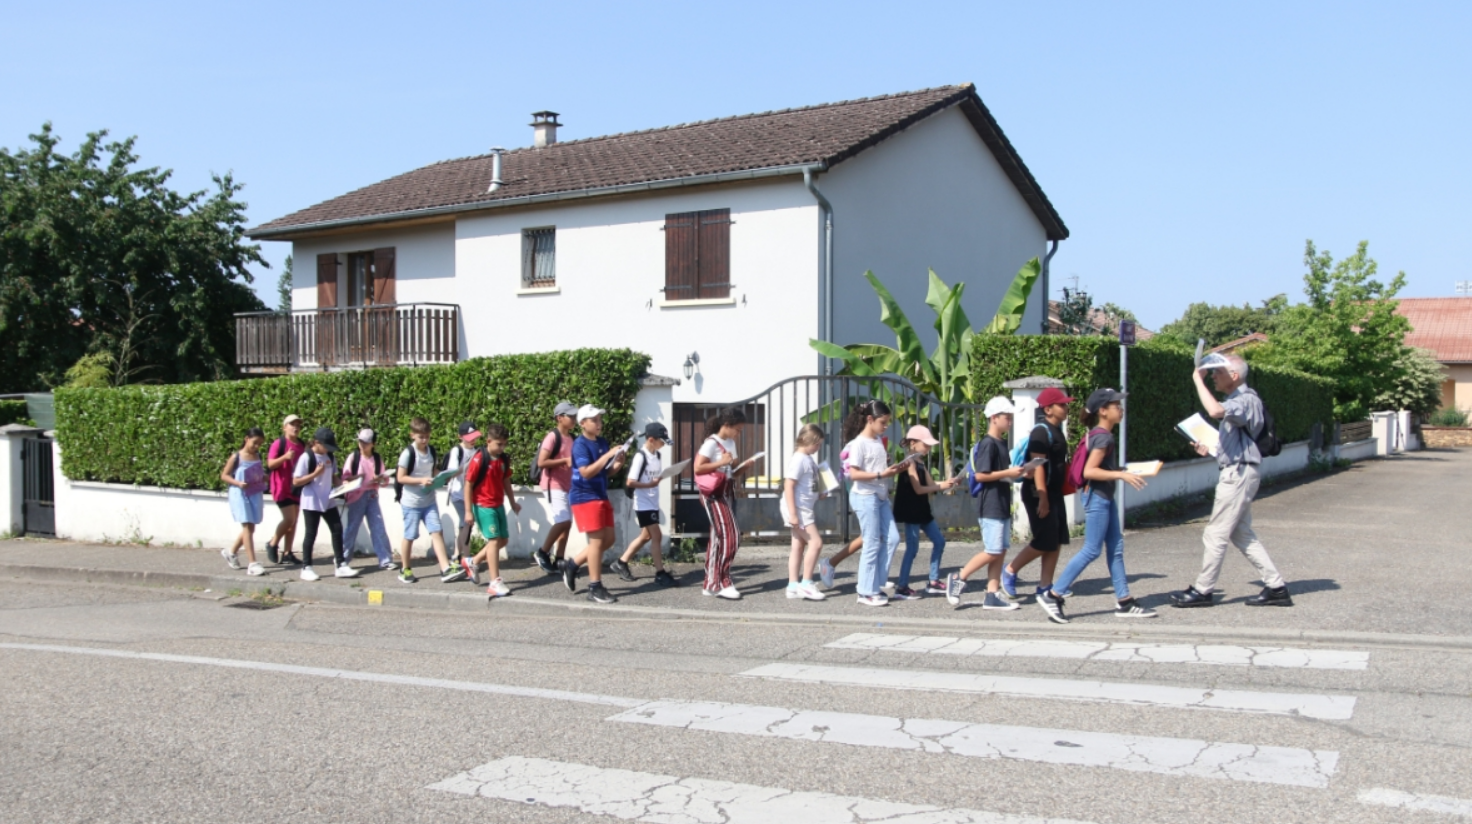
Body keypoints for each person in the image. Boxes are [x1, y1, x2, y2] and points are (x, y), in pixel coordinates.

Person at [1172, 353, 1293, 608]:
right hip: (1240, 471)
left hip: (1237, 475)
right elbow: (1238, 443)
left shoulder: (1244, 400)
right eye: (1212, 373)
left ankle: (1203, 590)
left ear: (1234, 376)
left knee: (1215, 533)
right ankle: (1276, 587)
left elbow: (1214, 410)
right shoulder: (1240, 401)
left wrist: (1198, 379)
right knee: (1242, 534)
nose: (1214, 376)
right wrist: (1211, 449)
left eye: (1218, 372)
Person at [1037, 388, 1154, 624]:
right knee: (1092, 549)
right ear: (1103, 411)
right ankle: (1053, 594)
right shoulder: (1104, 437)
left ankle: (1124, 600)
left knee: (1116, 547)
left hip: (1102, 496)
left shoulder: (1097, 434)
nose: (1120, 409)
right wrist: (1122, 477)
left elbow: (1098, 468)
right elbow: (1090, 471)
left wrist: (1121, 472)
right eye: (1115, 405)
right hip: (1098, 498)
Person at [946, 397, 1026, 610]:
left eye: (1010, 417)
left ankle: (992, 594)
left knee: (1000, 550)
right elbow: (981, 475)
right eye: (1006, 417)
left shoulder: (1000, 443)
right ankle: (959, 577)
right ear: (994, 418)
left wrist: (1017, 473)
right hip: (989, 503)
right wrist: (1008, 472)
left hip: (1000, 501)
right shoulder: (988, 444)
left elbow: (997, 475)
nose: (1010, 421)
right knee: (992, 550)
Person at [1001, 387, 1074, 602]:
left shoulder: (1056, 429)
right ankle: (1010, 570)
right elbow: (1038, 466)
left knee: (1057, 538)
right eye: (1062, 404)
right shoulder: (1040, 432)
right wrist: (1043, 497)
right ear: (1048, 409)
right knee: (1044, 539)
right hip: (1037, 493)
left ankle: (1045, 585)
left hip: (1053, 492)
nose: (1066, 407)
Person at [561, 405, 627, 603]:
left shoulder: (602, 442)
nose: (599, 424)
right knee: (597, 543)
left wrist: (618, 463)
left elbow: (604, 471)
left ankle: (572, 565)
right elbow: (586, 472)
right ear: (583, 424)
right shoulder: (580, 444)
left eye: (600, 420)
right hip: (584, 496)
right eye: (594, 420)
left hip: (600, 495)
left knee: (609, 540)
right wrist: (607, 456)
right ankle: (594, 587)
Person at [844, 400, 904, 607]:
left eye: (887, 422)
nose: (885, 426)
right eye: (883, 422)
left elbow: (878, 466)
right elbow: (853, 474)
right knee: (871, 542)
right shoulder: (859, 443)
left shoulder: (878, 440)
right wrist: (881, 473)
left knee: (892, 538)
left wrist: (891, 469)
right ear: (870, 419)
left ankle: (875, 583)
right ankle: (865, 591)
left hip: (880, 496)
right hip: (865, 496)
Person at [394, 417, 468, 585]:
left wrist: (443, 476)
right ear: (412, 435)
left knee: (437, 531)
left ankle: (445, 568)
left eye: (427, 436)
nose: (425, 440)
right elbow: (400, 477)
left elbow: (433, 470)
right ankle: (405, 568)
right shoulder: (408, 453)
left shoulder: (431, 451)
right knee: (410, 535)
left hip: (429, 501)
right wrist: (421, 481)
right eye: (421, 437)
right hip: (411, 503)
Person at [609, 422, 680, 587]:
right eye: (661, 440)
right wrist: (650, 485)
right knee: (657, 536)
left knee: (645, 536)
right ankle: (660, 573)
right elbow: (631, 481)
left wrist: (659, 478)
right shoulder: (641, 456)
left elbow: (652, 478)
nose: (663, 444)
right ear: (651, 439)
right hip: (642, 503)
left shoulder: (658, 455)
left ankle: (621, 562)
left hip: (652, 501)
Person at [892, 424, 958, 599]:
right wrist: (941, 485)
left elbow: (931, 484)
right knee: (912, 548)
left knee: (939, 541)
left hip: (923, 511)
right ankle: (902, 586)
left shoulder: (920, 462)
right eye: (925, 444)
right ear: (913, 443)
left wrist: (946, 484)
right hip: (912, 511)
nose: (928, 448)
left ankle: (934, 581)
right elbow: (920, 489)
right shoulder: (909, 463)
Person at [694, 408, 752, 599]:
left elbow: (732, 472)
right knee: (731, 535)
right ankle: (723, 581)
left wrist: (743, 467)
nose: (739, 433)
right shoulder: (711, 443)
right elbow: (698, 467)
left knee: (718, 538)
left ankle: (711, 583)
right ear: (726, 426)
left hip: (726, 492)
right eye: (737, 429)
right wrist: (721, 463)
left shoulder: (730, 443)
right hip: (713, 495)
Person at [461, 423, 520, 598]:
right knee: (494, 541)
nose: (502, 448)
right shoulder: (479, 459)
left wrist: (512, 502)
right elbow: (468, 485)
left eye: (504, 444)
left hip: (498, 505)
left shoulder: (503, 460)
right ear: (488, 441)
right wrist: (468, 511)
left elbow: (506, 481)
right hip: (483, 506)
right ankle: (495, 581)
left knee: (503, 540)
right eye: (498, 444)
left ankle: (473, 561)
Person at [293, 426, 356, 581]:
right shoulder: (306, 457)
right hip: (311, 501)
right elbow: (296, 480)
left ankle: (340, 565)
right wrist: (315, 474)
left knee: (337, 529)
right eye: (325, 447)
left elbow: (333, 476)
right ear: (316, 442)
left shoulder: (330, 457)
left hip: (328, 499)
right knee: (311, 534)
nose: (328, 450)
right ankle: (306, 567)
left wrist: (343, 484)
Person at [781, 423, 827, 601]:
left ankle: (793, 585)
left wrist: (819, 492)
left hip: (802, 508)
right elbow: (789, 484)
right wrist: (793, 514)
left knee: (798, 546)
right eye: (817, 444)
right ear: (809, 441)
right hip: (799, 510)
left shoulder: (806, 458)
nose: (818, 448)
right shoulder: (799, 459)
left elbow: (806, 483)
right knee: (816, 543)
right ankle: (806, 583)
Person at [532, 402, 578, 574]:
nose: (574, 419)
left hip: (568, 485)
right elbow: (542, 462)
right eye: (570, 416)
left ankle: (559, 559)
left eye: (575, 416)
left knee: (567, 524)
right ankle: (542, 552)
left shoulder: (572, 438)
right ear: (560, 418)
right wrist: (564, 461)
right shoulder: (552, 437)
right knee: (563, 521)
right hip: (553, 484)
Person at [341, 429, 394, 571]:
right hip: (356, 496)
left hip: (371, 495)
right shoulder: (354, 457)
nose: (362, 445)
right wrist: (358, 477)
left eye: (366, 443)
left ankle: (386, 559)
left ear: (373, 444)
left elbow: (385, 480)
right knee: (352, 528)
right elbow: (345, 477)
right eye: (360, 442)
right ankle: (342, 559)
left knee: (378, 527)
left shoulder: (377, 459)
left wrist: (380, 478)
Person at [220, 427, 267, 576]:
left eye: (259, 444)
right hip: (239, 494)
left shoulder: (257, 456)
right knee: (247, 526)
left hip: (253, 492)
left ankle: (231, 552)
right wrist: (238, 483)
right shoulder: (236, 457)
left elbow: (259, 473)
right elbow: (224, 475)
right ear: (246, 439)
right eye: (254, 442)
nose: (256, 446)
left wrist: (264, 477)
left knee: (251, 528)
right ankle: (253, 564)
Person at [264, 414, 306, 566]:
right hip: (281, 486)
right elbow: (270, 464)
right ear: (284, 427)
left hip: (296, 487)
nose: (296, 427)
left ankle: (288, 553)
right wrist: (285, 457)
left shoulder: (301, 445)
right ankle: (273, 543)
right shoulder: (279, 444)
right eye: (292, 424)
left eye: (298, 425)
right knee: (289, 519)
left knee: (294, 522)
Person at [445, 420, 482, 562]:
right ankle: (467, 558)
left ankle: (456, 555)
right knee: (467, 523)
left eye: (475, 436)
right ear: (460, 437)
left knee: (463, 525)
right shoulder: (457, 451)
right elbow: (451, 472)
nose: (473, 440)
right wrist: (467, 466)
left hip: (469, 494)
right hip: (457, 494)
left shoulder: (476, 451)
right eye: (469, 437)